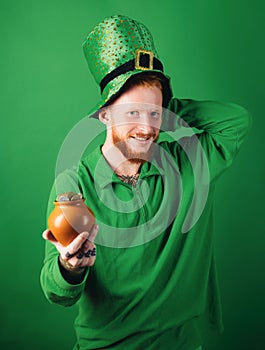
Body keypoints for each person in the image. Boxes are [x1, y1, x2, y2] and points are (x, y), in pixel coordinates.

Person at [40, 15, 252, 350]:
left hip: (181, 343)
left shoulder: (187, 163)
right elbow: (55, 291)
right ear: (104, 114)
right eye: (132, 113)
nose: (146, 127)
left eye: (155, 115)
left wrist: (159, 102)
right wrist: (69, 266)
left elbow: (237, 122)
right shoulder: (74, 184)